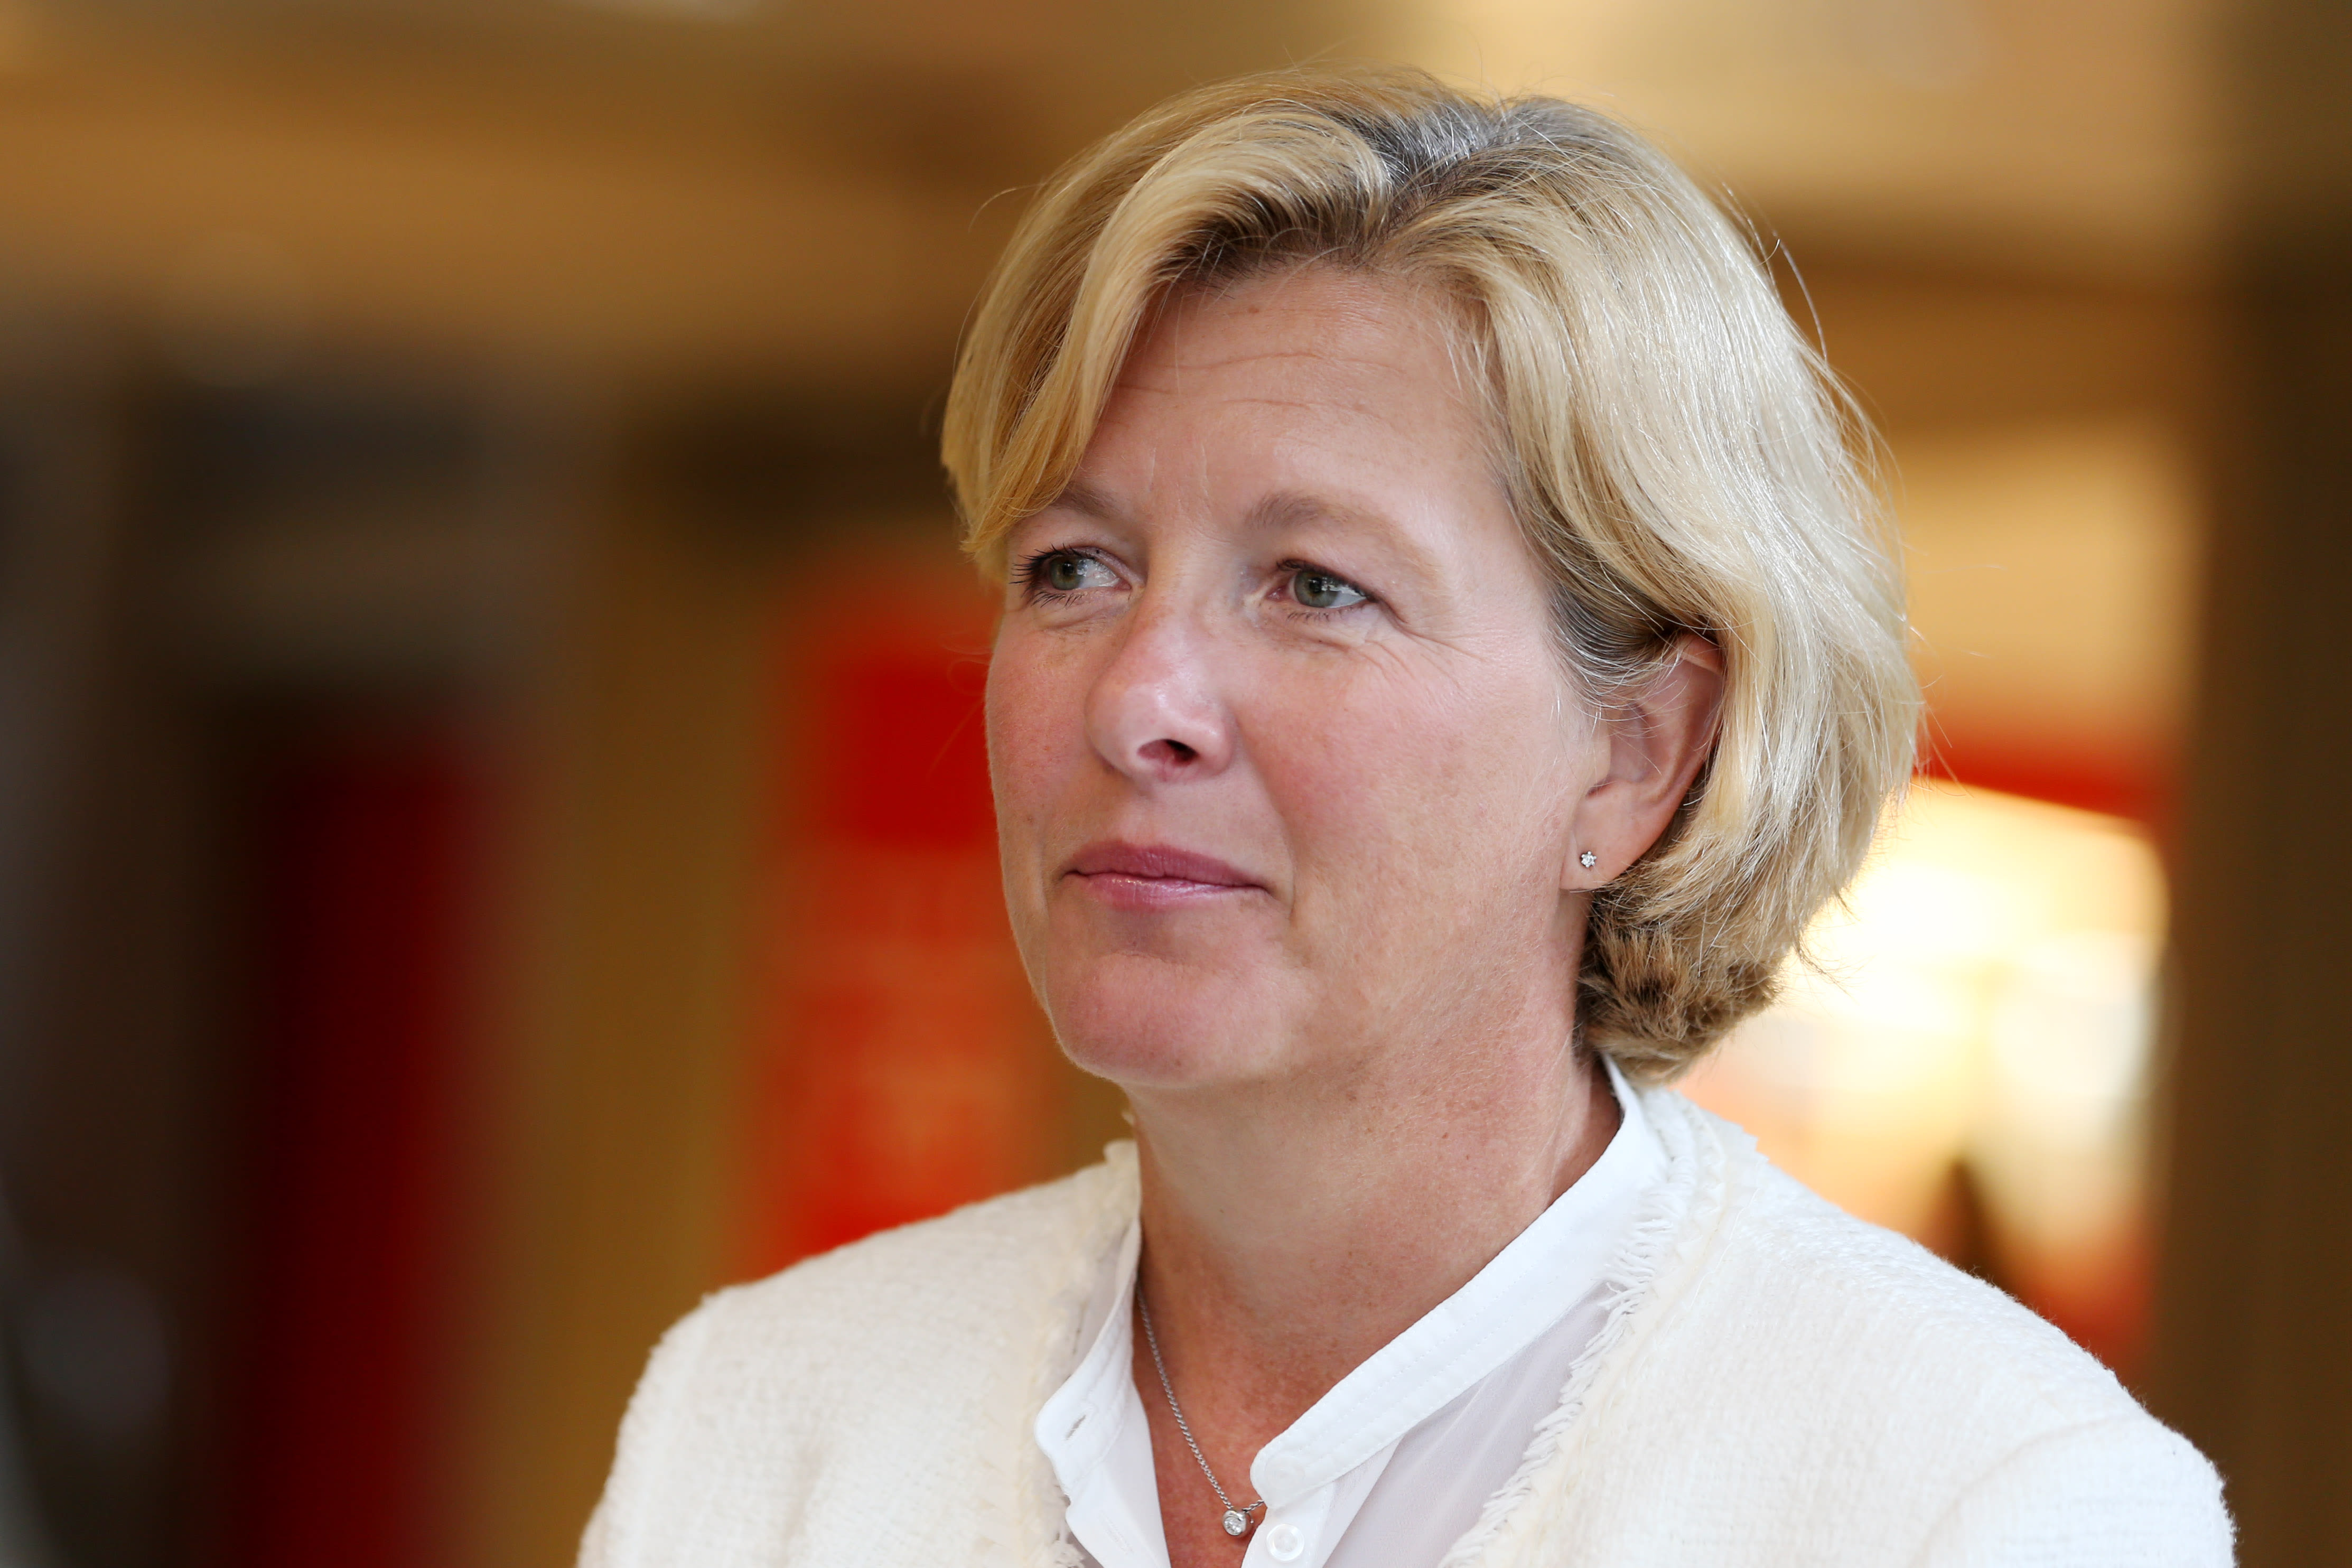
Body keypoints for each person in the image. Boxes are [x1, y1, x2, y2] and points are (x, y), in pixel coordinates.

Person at [580, 68, 2230, 1567]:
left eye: (1314, 587)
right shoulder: (764, 1422)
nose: (1138, 697)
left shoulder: (1981, 1501)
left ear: (1638, 753)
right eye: (1072, 568)